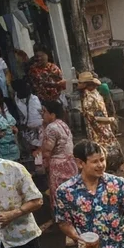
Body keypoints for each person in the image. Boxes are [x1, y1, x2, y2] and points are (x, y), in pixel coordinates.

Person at [38, 100, 76, 233]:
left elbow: (47, 150)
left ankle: (61, 223)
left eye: (44, 112)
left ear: (52, 114)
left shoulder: (51, 127)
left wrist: (44, 164)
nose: (42, 115)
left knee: (58, 194)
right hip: (70, 163)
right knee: (70, 192)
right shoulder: (63, 124)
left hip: (58, 165)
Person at [77, 71, 121, 171]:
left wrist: (107, 120)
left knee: (103, 147)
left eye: (80, 83)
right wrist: (108, 120)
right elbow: (92, 117)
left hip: (98, 126)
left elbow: (92, 116)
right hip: (99, 125)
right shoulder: (92, 95)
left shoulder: (90, 96)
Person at [11, 79, 43, 160]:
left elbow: (37, 122)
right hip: (26, 133)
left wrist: (25, 127)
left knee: (37, 155)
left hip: (35, 132)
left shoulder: (33, 99)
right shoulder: (17, 99)